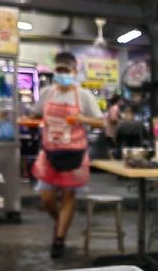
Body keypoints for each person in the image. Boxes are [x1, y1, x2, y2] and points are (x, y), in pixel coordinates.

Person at [32, 51, 105, 258]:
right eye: (60, 70)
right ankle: (61, 221)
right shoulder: (47, 93)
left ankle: (59, 239)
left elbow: (100, 121)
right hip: (50, 152)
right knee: (46, 197)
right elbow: (36, 112)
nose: (63, 74)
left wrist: (82, 118)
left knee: (68, 196)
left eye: (67, 70)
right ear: (55, 71)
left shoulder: (83, 95)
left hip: (74, 153)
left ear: (74, 71)